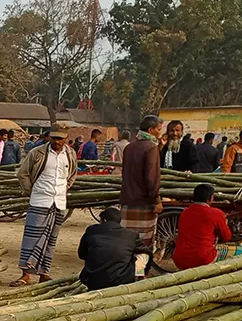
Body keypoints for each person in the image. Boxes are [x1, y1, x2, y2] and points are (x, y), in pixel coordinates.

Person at [14, 124, 78, 286]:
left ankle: (44, 273)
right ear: (49, 137)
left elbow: (72, 175)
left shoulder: (70, 154)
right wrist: (32, 191)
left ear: (66, 138)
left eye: (60, 138)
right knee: (31, 238)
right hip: (39, 201)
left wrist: (63, 188)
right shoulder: (38, 153)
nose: (56, 141)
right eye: (54, 137)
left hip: (59, 202)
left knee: (50, 239)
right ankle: (26, 274)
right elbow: (23, 173)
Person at [121, 114, 165, 277]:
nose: (160, 133)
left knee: (128, 240)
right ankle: (139, 275)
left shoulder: (130, 147)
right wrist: (157, 200)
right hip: (144, 203)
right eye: (159, 130)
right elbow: (151, 178)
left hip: (127, 200)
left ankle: (125, 272)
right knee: (143, 243)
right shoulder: (151, 147)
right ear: (151, 130)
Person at [78, 207, 151, 290]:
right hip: (121, 280)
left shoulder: (91, 230)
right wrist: (146, 270)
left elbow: (82, 254)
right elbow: (148, 253)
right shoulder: (131, 235)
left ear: (103, 220)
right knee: (143, 254)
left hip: (90, 280)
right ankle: (141, 279)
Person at [173, 184, 233, 270]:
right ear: (211, 198)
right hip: (203, 259)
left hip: (180, 259)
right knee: (239, 250)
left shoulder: (185, 213)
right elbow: (226, 237)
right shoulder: (216, 213)